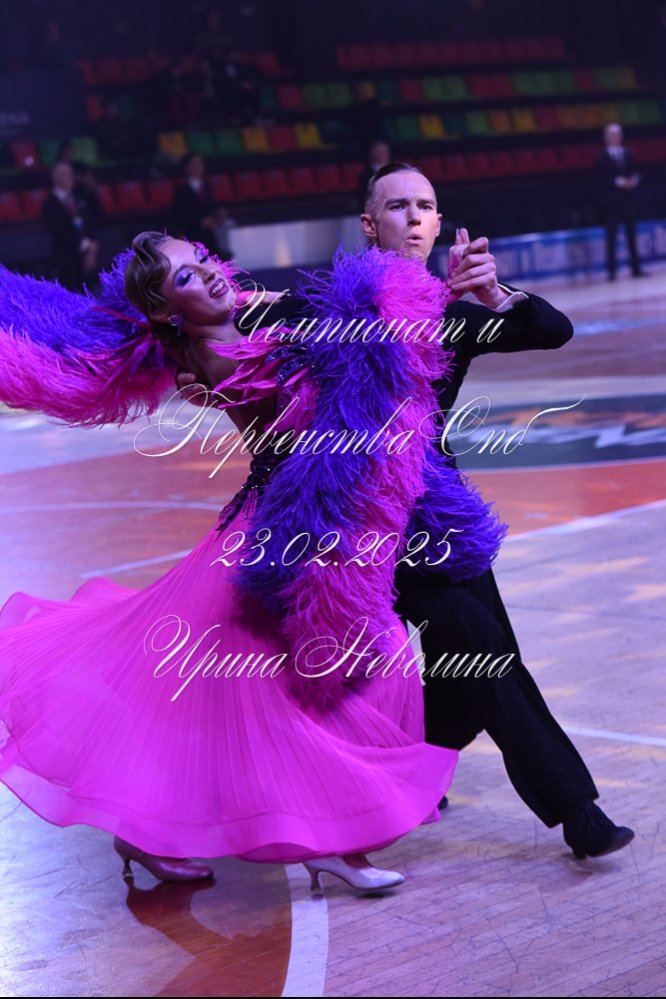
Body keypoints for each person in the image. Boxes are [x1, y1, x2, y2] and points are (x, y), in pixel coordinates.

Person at [0, 231, 510, 894]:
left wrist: (427, 294)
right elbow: (335, 368)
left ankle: (152, 834)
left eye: (202, 261)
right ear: (166, 310)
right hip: (280, 534)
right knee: (323, 680)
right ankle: (332, 844)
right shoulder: (216, 355)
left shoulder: (239, 323)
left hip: (302, 518)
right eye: (185, 277)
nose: (209, 275)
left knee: (211, 699)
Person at [177, 163, 635, 860]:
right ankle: (578, 811)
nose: (415, 216)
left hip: (442, 515)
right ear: (370, 224)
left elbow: (553, 330)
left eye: (426, 205)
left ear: (439, 222)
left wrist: (497, 294)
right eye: (398, 206)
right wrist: (199, 348)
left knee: (473, 655)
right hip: (361, 520)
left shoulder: (452, 314)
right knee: (476, 640)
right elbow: (238, 322)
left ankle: (421, 765)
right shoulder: (329, 303)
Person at [596, 123, 645, 281]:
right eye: (611, 134)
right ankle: (612, 271)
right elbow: (600, 179)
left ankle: (636, 268)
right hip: (612, 202)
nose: (614, 137)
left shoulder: (628, 153)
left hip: (628, 200)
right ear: (606, 137)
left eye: (617, 134)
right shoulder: (602, 156)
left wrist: (633, 180)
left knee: (631, 234)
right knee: (612, 235)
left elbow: (636, 171)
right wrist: (618, 182)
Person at [41, 162, 99, 290]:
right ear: (56, 178)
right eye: (68, 175)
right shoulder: (49, 203)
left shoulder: (79, 197)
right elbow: (59, 231)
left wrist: (92, 246)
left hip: (87, 254)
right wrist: (85, 244)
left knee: (90, 290)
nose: (72, 178)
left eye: (72, 174)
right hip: (67, 258)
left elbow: (88, 223)